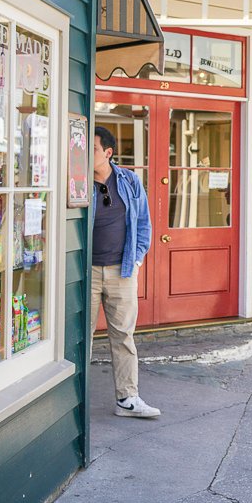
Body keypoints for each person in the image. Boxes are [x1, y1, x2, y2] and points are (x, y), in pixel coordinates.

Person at [90, 126, 159, 418]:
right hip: (87, 272)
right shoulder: (75, 181)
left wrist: (138, 260)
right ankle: (73, 399)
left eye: (92, 149)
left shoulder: (129, 181)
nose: (85, 155)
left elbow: (143, 224)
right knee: (81, 336)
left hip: (123, 270)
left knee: (123, 337)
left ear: (108, 153)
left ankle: (127, 399)